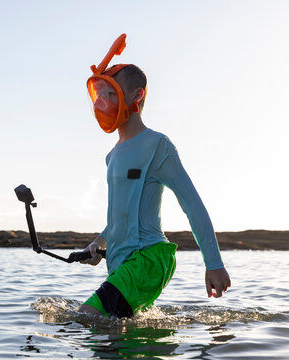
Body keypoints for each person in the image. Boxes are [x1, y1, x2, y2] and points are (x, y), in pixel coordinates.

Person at [78, 34, 231, 318]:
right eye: (101, 95)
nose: (103, 103)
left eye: (111, 94)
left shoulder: (157, 145)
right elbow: (121, 214)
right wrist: (99, 244)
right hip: (122, 264)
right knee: (119, 342)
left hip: (149, 259)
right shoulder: (112, 156)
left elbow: (192, 204)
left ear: (136, 96)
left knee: (85, 317)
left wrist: (214, 263)